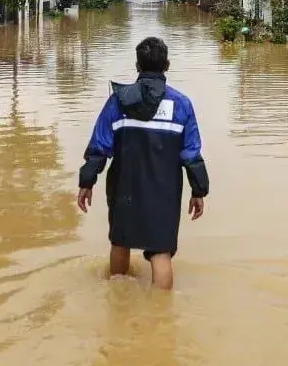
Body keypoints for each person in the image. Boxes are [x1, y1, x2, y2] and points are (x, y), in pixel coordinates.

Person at [76, 36, 209, 290]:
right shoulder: (181, 105)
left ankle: (117, 303)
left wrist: (87, 181)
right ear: (166, 66)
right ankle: (160, 318)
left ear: (137, 66)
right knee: (161, 252)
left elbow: (100, 145)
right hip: (165, 191)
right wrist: (198, 190)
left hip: (125, 188)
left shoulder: (118, 101)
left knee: (120, 242)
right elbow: (191, 153)